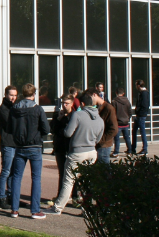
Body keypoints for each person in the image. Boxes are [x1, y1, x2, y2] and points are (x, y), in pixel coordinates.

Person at [48, 87, 104, 215]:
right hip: (92, 151)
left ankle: (58, 208)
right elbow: (99, 138)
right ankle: (87, 208)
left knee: (68, 181)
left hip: (77, 151)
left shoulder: (78, 115)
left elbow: (68, 133)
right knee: (85, 181)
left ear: (82, 104)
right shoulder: (99, 119)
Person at [8, 83, 51, 219]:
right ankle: (35, 210)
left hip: (20, 146)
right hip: (35, 146)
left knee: (16, 177)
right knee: (36, 178)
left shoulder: (14, 109)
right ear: (34, 94)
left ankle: (14, 209)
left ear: (22, 94)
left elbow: (9, 128)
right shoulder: (37, 109)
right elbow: (46, 129)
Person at [49, 94, 75, 205]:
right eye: (63, 103)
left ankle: (75, 196)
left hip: (71, 147)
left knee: (73, 173)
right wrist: (58, 119)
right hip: (60, 147)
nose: (64, 105)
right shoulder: (57, 115)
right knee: (62, 172)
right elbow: (52, 129)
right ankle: (60, 195)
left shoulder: (74, 115)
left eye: (67, 103)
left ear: (72, 104)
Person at [0, 85, 18, 209]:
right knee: (6, 171)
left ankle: (11, 196)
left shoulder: (15, 107)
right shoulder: (3, 109)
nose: (13, 98)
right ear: (6, 95)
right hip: (7, 143)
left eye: (15, 95)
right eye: (11, 95)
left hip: (16, 143)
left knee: (13, 172)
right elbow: (11, 124)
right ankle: (1, 197)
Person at [95, 94, 117, 164]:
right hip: (99, 144)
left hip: (104, 145)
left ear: (94, 95)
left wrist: (101, 140)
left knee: (104, 167)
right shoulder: (98, 107)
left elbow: (114, 129)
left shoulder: (108, 108)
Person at [111, 87, 133, 158]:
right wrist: (127, 118)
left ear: (116, 93)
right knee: (127, 138)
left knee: (117, 139)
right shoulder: (127, 101)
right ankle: (130, 151)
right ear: (123, 93)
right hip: (125, 123)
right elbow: (130, 112)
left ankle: (116, 153)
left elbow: (112, 113)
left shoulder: (114, 101)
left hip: (117, 123)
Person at [131, 79, 150, 155]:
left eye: (136, 85)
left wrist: (139, 111)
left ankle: (145, 149)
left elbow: (144, 105)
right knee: (134, 131)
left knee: (142, 132)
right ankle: (133, 148)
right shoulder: (142, 93)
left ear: (139, 85)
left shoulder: (144, 93)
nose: (136, 87)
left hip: (141, 115)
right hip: (139, 115)